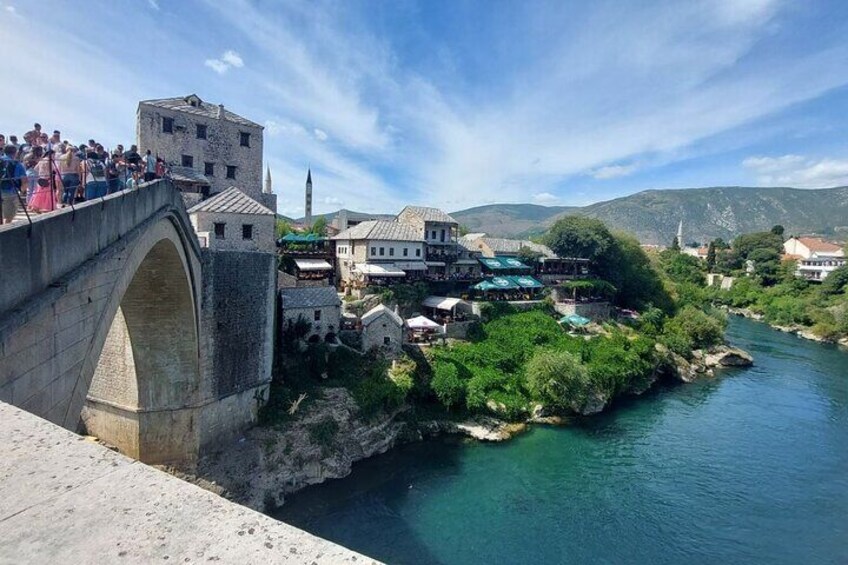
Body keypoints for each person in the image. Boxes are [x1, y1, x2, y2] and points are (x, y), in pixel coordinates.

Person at [1, 144, 26, 224]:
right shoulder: (17, 164)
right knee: (9, 216)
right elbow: (24, 181)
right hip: (10, 192)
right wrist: (22, 191)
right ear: (15, 153)